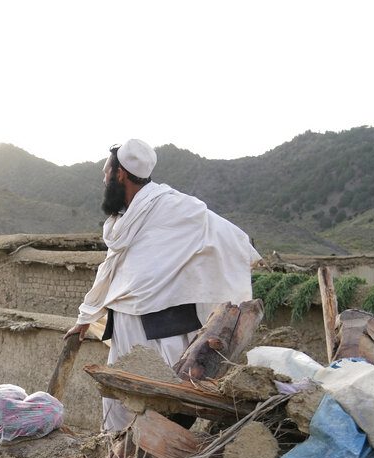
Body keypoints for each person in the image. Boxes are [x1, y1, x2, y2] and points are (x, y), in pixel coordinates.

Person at [65, 139, 261, 432]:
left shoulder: (174, 206)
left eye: (106, 172)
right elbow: (110, 270)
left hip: (163, 329)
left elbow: (229, 235)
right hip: (125, 325)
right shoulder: (123, 220)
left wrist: (244, 259)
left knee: (159, 409)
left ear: (121, 174)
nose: (103, 178)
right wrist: (85, 319)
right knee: (118, 404)